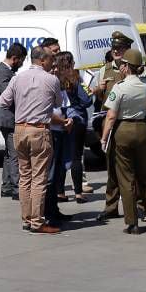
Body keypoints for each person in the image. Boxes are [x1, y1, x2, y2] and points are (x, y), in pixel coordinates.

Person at [0, 46, 67, 234]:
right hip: (39, 131)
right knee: (38, 179)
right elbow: (59, 103)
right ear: (42, 61)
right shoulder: (51, 79)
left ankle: (26, 219)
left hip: (20, 129)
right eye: (51, 59)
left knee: (24, 177)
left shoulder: (17, 78)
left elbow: (2, 102)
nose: (53, 62)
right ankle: (37, 221)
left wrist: (22, 106)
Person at [100, 48, 146, 234]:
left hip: (123, 129)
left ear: (127, 67)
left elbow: (111, 116)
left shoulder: (119, 87)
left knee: (126, 178)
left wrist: (104, 138)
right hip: (142, 129)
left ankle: (132, 222)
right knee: (144, 176)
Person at [95, 31, 135, 222]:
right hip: (109, 120)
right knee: (112, 167)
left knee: (133, 168)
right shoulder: (105, 69)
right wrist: (98, 90)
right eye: (114, 48)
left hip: (129, 120)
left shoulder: (137, 69)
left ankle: (140, 206)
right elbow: (97, 97)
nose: (116, 51)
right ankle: (111, 207)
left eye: (120, 48)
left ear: (128, 49)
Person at [0, 43, 27, 200]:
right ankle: (16, 188)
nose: (22, 64)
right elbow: (11, 95)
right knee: (15, 154)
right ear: (15, 58)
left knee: (8, 154)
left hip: (7, 118)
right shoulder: (1, 72)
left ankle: (6, 186)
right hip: (7, 118)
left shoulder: (7, 71)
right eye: (22, 61)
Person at [44, 53, 75, 224]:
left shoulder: (59, 84)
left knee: (57, 175)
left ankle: (54, 210)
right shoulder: (46, 84)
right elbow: (47, 113)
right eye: (53, 67)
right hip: (50, 132)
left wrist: (69, 120)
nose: (55, 70)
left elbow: (65, 106)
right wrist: (63, 121)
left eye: (57, 67)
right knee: (50, 175)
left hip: (61, 130)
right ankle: (47, 213)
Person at [60, 52, 94, 202]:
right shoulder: (76, 79)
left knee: (60, 156)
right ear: (71, 63)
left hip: (59, 121)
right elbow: (87, 101)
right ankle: (78, 193)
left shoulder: (55, 79)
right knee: (76, 157)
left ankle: (60, 192)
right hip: (77, 120)